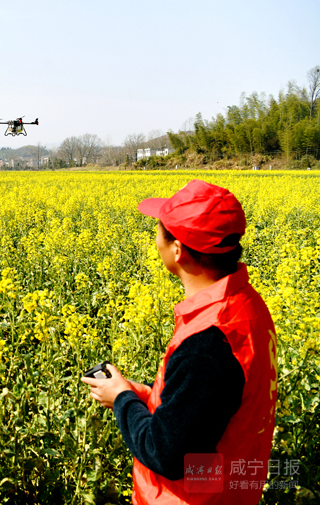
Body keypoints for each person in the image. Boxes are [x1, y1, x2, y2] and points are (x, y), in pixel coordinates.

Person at [82, 180, 278, 504]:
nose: (155, 239)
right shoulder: (246, 305)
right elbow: (209, 406)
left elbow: (168, 454)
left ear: (177, 248)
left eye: (159, 231)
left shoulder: (210, 343)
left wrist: (121, 400)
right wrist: (143, 394)